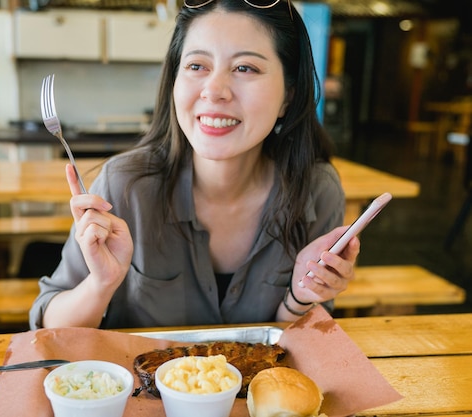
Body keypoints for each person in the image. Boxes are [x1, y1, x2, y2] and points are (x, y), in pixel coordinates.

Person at [29, 0, 360, 330]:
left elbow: (301, 347)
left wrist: (300, 297)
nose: (214, 90)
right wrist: (100, 284)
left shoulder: (316, 191)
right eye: (197, 66)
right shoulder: (124, 186)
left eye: (245, 68)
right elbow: (48, 326)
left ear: (288, 95)